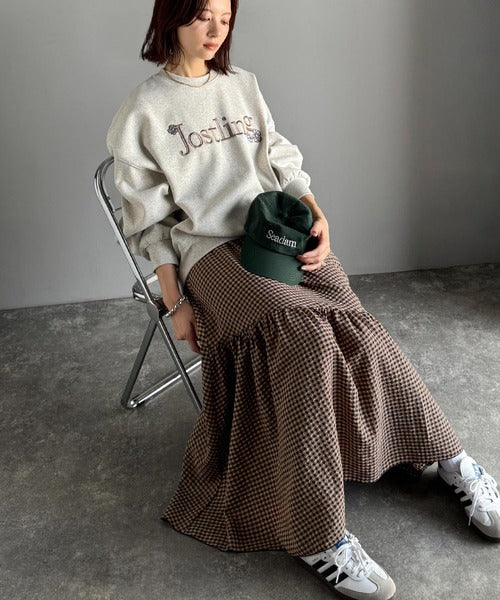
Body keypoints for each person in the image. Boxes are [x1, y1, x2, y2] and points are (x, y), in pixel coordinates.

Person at [105, 1, 500, 598]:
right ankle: (318, 534)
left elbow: (281, 160)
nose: (216, 29)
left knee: (352, 320)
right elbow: (148, 221)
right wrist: (173, 301)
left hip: (274, 233)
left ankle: (450, 459)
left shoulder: (242, 85)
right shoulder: (143, 109)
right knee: (305, 332)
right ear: (171, 17)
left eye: (225, 17)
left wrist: (319, 217)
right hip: (209, 254)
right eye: (202, 15)